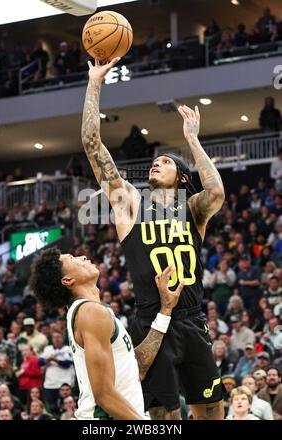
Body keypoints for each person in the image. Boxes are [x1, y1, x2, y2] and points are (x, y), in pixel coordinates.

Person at [81, 58, 226, 420]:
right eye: (154, 161)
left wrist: (191, 138)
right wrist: (95, 82)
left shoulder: (192, 208)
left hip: (192, 318)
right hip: (151, 320)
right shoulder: (130, 204)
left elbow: (217, 192)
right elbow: (90, 142)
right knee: (162, 416)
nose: (155, 164)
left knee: (212, 412)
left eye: (165, 161)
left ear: (180, 178)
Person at [29, 248, 183, 420]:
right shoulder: (91, 312)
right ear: (68, 280)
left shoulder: (91, 312)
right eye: (72, 258)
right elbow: (104, 395)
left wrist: (165, 311)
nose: (83, 256)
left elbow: (135, 366)